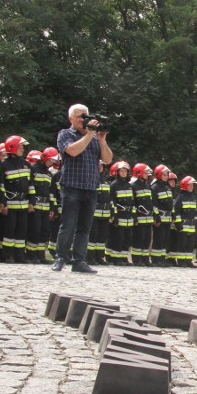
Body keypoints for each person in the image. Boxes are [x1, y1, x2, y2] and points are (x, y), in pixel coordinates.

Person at [52, 104, 113, 273]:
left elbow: (107, 159)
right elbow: (72, 151)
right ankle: (60, 257)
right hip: (72, 186)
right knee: (68, 225)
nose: (83, 119)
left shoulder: (94, 138)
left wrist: (101, 139)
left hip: (90, 188)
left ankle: (79, 260)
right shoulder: (65, 134)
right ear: (70, 118)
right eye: (79, 116)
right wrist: (89, 134)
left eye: (85, 116)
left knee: (84, 227)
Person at [0, 136, 33, 263]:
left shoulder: (26, 164)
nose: (22, 149)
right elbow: (1, 185)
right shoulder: (4, 164)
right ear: (11, 147)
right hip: (11, 204)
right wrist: (4, 203)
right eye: (20, 146)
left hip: (24, 204)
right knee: (9, 229)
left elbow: (31, 185)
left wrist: (32, 202)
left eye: (23, 147)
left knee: (22, 230)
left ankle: (20, 255)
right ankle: (8, 255)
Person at [106, 161, 135, 265]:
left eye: (125, 171)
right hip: (119, 216)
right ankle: (115, 258)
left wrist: (134, 217)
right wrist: (114, 216)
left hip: (128, 217)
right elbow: (112, 202)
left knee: (127, 239)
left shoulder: (129, 186)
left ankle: (123, 257)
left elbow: (132, 202)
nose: (123, 173)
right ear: (117, 172)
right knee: (118, 238)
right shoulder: (114, 185)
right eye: (121, 171)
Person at [171, 176, 197, 268]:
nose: (191, 187)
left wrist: (196, 223)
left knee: (190, 245)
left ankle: (188, 261)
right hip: (183, 226)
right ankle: (181, 261)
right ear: (184, 186)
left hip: (191, 226)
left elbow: (195, 212)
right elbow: (176, 211)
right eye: (190, 185)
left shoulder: (194, 198)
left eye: (192, 185)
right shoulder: (180, 197)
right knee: (182, 244)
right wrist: (178, 224)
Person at [130, 163, 154, 267]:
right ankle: (136, 259)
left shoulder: (148, 186)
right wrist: (134, 217)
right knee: (138, 238)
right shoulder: (133, 186)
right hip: (139, 218)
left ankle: (145, 258)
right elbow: (133, 203)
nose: (147, 174)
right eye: (145, 172)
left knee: (147, 239)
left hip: (148, 219)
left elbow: (151, 202)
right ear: (139, 173)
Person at [150, 165, 173, 267]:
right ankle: (156, 259)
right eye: (164, 174)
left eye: (167, 174)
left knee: (165, 239)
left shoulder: (167, 188)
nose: (166, 176)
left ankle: (162, 259)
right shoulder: (155, 187)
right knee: (158, 239)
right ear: (159, 175)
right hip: (160, 218)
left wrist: (173, 215)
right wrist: (156, 216)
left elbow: (170, 204)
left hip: (167, 219)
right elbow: (154, 204)